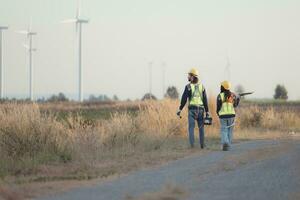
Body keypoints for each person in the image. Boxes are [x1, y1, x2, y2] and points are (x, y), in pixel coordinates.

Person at [177, 68, 210, 148]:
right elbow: (205, 99)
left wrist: (180, 109)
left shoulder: (188, 87)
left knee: (191, 128)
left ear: (192, 77)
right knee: (201, 128)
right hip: (201, 110)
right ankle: (202, 145)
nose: (188, 77)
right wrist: (207, 111)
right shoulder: (202, 87)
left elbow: (184, 99)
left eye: (189, 75)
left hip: (192, 110)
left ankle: (192, 145)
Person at [216, 81, 240, 151]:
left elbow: (218, 107)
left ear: (223, 87)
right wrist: (238, 99)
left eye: (221, 86)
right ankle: (227, 146)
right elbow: (235, 105)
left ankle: (225, 143)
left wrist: (218, 113)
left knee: (224, 130)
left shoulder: (220, 95)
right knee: (230, 131)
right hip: (232, 115)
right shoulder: (233, 95)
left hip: (223, 116)